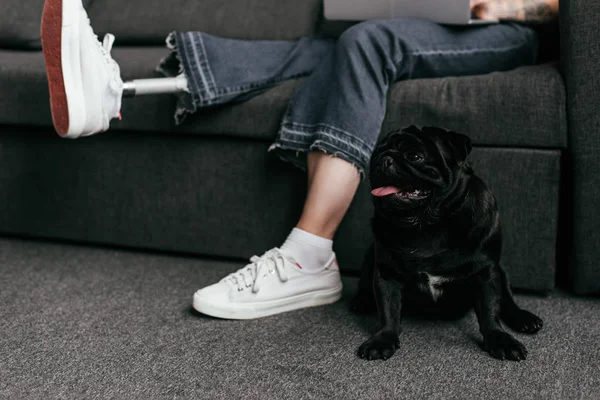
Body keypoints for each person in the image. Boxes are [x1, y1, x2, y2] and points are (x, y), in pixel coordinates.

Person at [41, 0, 559, 320]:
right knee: (322, 47)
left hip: (508, 29)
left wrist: (492, 4)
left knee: (366, 41)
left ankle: (308, 255)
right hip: (418, 21)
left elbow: (558, 8)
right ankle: (119, 88)